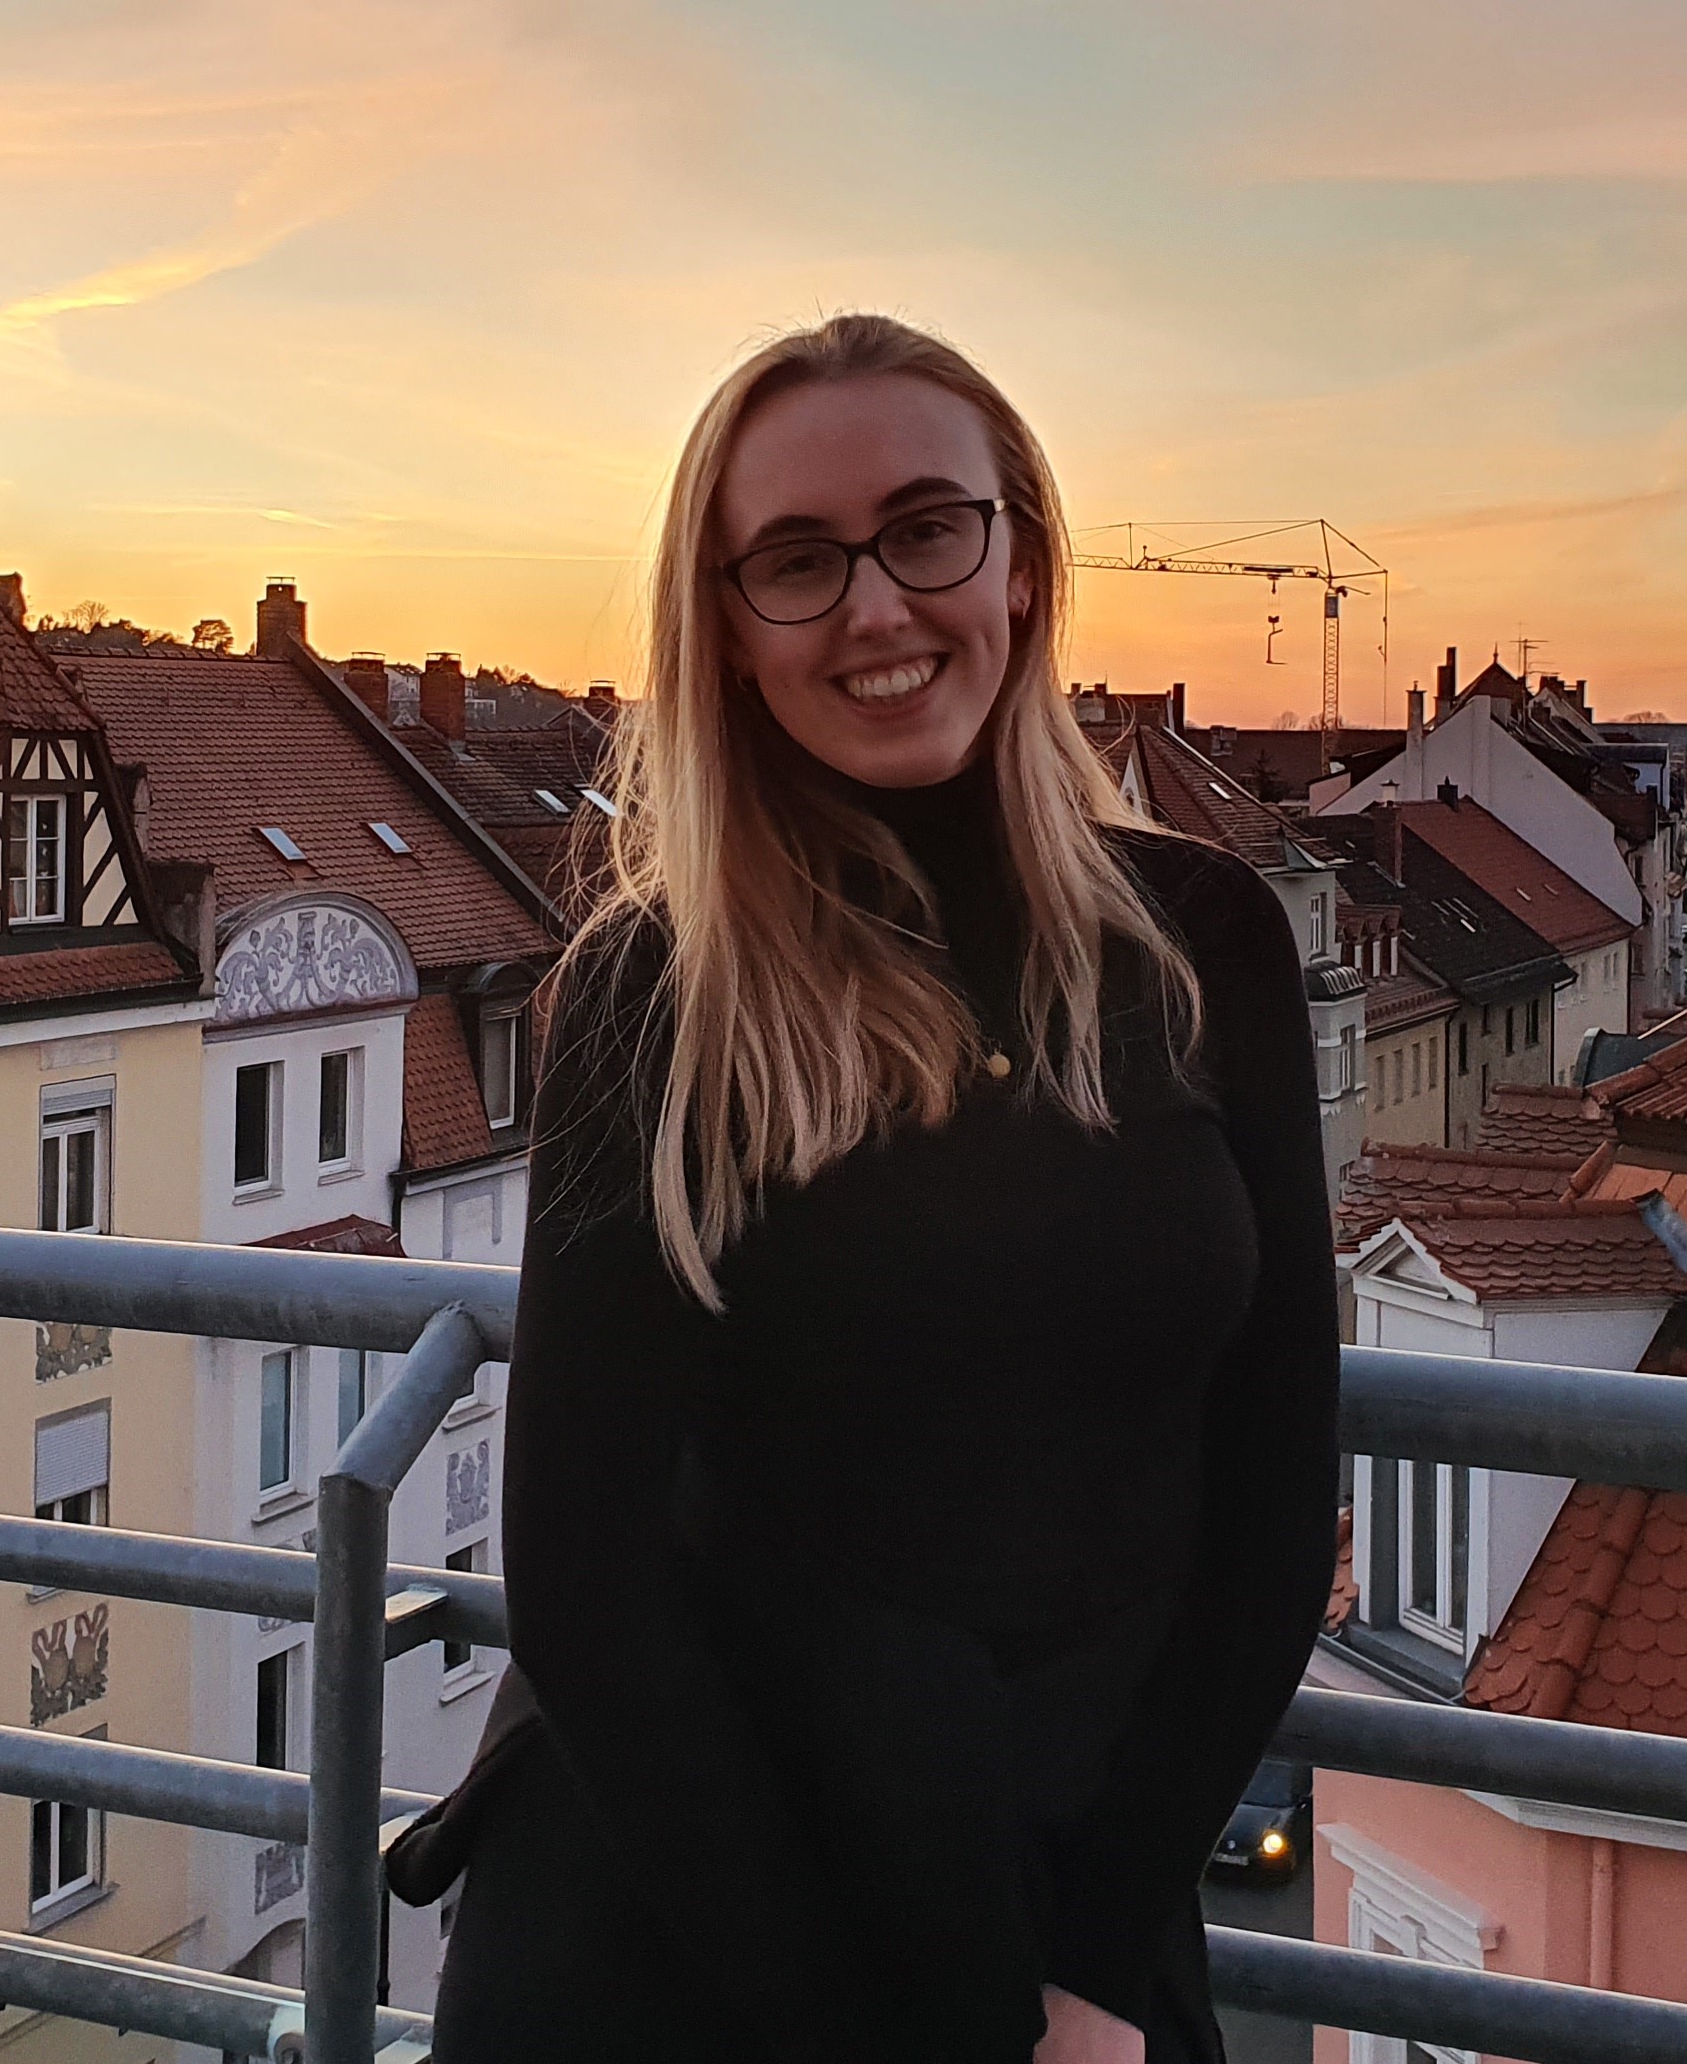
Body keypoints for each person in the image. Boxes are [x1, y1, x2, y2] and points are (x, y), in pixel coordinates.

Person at [404, 314, 1339, 2064]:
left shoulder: (1209, 940)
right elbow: (586, 1574)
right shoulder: (653, 988)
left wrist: (1098, 1966)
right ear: (730, 634)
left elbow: (1282, 1489)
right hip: (695, 1918)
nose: (877, 608)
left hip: (1085, 1903)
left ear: (1026, 560)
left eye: (928, 527)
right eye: (798, 561)